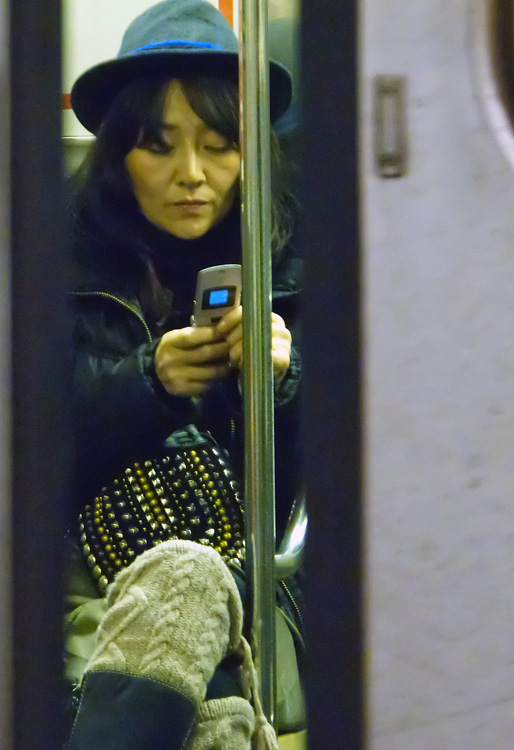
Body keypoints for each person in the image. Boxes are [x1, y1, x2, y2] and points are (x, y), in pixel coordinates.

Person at [64, 1, 304, 747]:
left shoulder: (296, 261)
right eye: (160, 148)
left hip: (251, 573)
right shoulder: (55, 259)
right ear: (116, 153)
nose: (193, 176)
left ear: (251, 152)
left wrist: (281, 383)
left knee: (192, 580)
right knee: (206, 688)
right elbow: (20, 440)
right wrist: (148, 384)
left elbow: (353, 469)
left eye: (219, 145)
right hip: (85, 569)